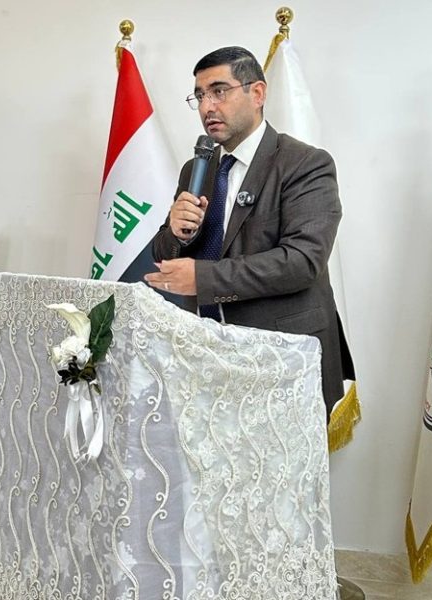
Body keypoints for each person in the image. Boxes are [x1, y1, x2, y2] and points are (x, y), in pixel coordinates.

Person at [145, 46, 354, 416]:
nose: (207, 107)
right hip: (209, 355)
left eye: (219, 91)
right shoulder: (197, 168)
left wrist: (203, 279)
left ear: (257, 93)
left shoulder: (305, 164)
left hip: (284, 360)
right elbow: (165, 255)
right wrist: (176, 233)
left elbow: (302, 262)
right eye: (199, 96)